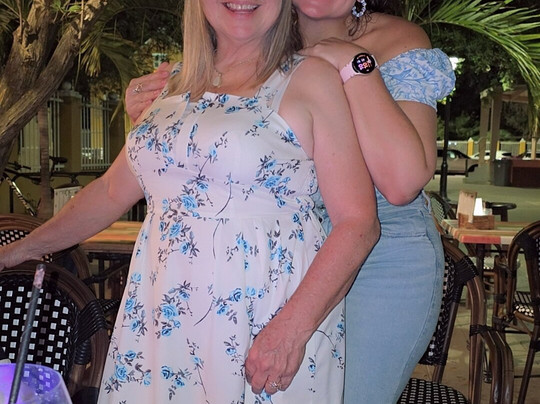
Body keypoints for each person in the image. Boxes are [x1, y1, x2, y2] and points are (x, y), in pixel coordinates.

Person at [0, 0, 380, 403]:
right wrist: (17, 251)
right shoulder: (170, 86)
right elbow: (111, 191)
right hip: (161, 322)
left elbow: (358, 223)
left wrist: (291, 331)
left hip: (263, 323)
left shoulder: (310, 79)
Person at [125, 1, 457, 403]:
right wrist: (152, 110)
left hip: (383, 255)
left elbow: (402, 184)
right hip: (284, 255)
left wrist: (355, 64)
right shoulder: (256, 33)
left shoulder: (397, 40)